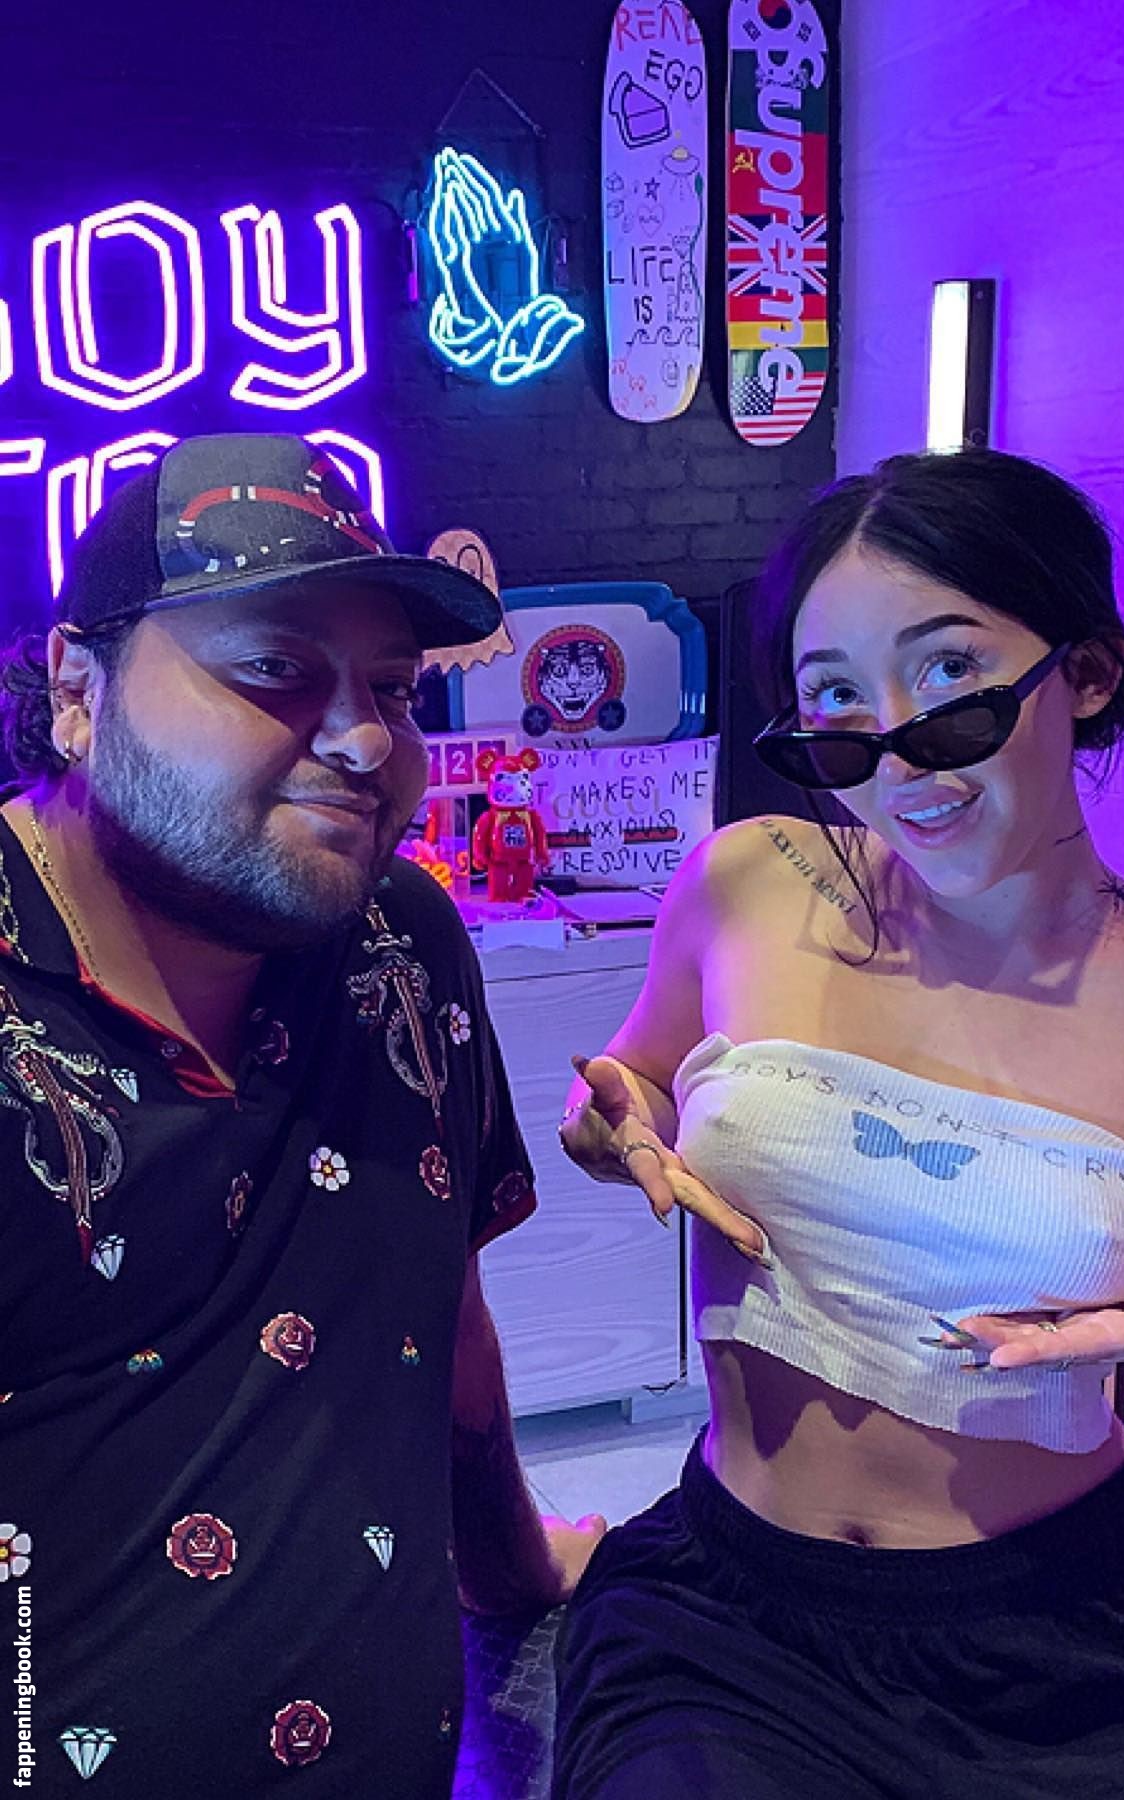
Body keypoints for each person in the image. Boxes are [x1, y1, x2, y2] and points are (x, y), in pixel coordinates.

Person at [552, 449, 1124, 1800]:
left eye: (950, 676)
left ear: (1085, 674)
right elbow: (641, 1076)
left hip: (1081, 1629)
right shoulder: (752, 883)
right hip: (736, 1620)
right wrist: (613, 1114)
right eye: (837, 702)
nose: (899, 756)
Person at [0, 433, 602, 1798]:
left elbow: (436, 1310)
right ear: (79, 690)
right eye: (275, 670)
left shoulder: (401, 942)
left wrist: (516, 1574)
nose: (368, 738)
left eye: (391, 686)